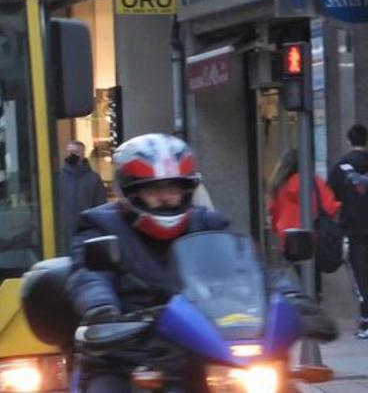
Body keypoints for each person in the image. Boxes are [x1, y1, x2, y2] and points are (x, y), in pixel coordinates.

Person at [66, 133, 328, 391]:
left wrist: (293, 299)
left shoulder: (209, 223)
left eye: (174, 188)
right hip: (129, 352)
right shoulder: (100, 226)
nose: (166, 196)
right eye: (154, 189)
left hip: (203, 351)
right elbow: (89, 276)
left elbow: (251, 270)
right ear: (131, 191)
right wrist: (102, 310)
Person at [266, 149, 339, 301]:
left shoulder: (279, 185)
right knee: (313, 281)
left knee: (294, 279)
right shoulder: (314, 181)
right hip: (312, 237)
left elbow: (273, 213)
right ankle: (314, 305)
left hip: (289, 239)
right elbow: (330, 207)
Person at [328, 124, 368, 339]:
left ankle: (366, 320)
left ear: (348, 140)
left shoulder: (339, 167)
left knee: (361, 276)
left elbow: (330, 198)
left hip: (353, 229)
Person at [57, 140, 108, 238]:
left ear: (83, 154)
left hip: (87, 229)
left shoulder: (93, 178)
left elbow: (100, 204)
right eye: (70, 152)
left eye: (76, 152)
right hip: (64, 230)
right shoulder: (59, 177)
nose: (72, 155)